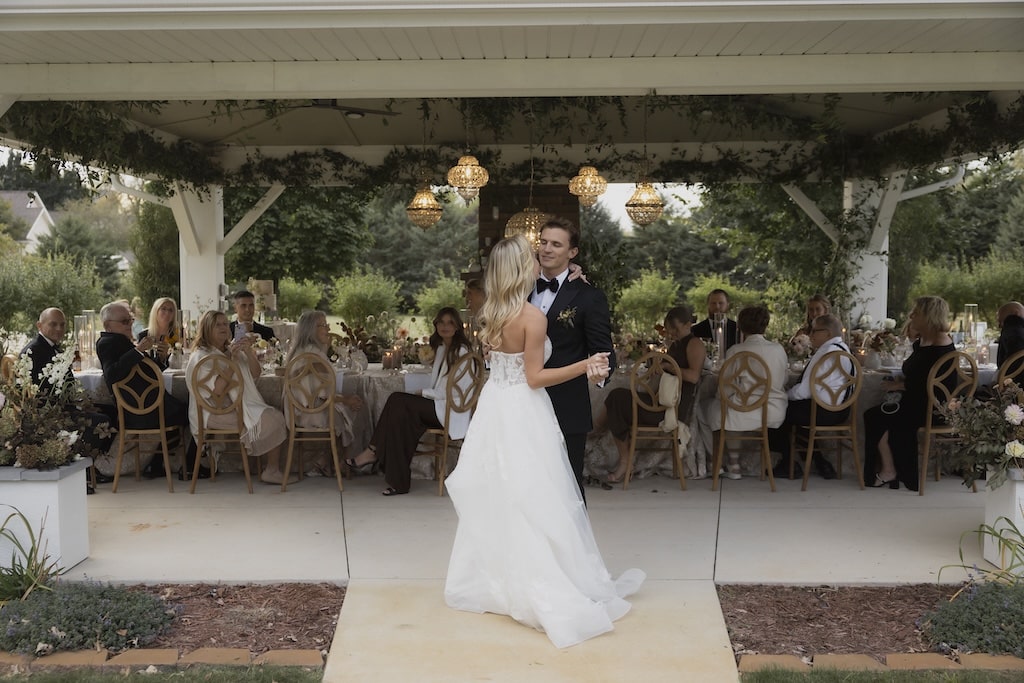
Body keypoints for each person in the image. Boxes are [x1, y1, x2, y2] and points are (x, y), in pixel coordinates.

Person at [444, 234, 644, 649]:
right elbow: (534, 377)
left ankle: (497, 578)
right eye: (533, 258)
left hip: (495, 407)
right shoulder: (532, 318)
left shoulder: (489, 315)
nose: (541, 261)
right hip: (523, 411)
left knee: (504, 494)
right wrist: (584, 364)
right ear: (522, 269)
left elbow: (502, 366)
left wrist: (575, 280)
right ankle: (541, 581)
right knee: (538, 495)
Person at [529, 216, 615, 500]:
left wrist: (600, 372)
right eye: (543, 242)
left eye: (556, 244)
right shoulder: (520, 288)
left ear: (572, 253)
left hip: (566, 404)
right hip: (523, 403)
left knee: (567, 488)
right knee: (525, 483)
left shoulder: (588, 296)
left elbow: (603, 351)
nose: (547, 249)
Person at [345, 307, 473, 496]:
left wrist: (425, 393)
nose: (445, 326)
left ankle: (373, 451)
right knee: (401, 417)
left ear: (457, 327)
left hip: (450, 409)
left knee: (398, 401)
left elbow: (457, 392)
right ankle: (398, 482)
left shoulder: (462, 351)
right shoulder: (443, 348)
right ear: (436, 324)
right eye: (441, 322)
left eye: (450, 323)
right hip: (439, 406)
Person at [96, 301, 207, 480]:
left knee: (188, 409)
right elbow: (112, 374)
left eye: (131, 320)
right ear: (109, 326)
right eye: (124, 322)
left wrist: (161, 359)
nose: (130, 324)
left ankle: (158, 463)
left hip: (149, 405)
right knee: (196, 410)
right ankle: (190, 465)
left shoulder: (122, 342)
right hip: (141, 410)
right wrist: (139, 351)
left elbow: (147, 374)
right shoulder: (107, 343)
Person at [597, 304, 705, 484]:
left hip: (671, 408)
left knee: (616, 398)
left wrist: (669, 366)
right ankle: (603, 436)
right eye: (669, 331)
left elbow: (693, 376)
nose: (672, 334)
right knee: (617, 398)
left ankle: (603, 439)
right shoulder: (677, 344)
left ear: (687, 325)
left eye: (675, 330)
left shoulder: (695, 344)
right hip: (661, 400)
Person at [186, 310, 293, 485]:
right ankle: (271, 470)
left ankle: (271, 470)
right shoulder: (201, 356)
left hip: (235, 405)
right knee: (273, 418)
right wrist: (232, 360)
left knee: (275, 415)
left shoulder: (230, 348)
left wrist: (248, 351)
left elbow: (256, 373)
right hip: (213, 411)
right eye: (217, 325)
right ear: (207, 329)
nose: (223, 328)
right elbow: (218, 390)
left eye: (224, 324)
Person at [862, 296, 955, 490]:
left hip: (932, 408)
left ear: (928, 316)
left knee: (875, 417)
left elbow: (935, 385)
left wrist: (900, 387)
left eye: (917, 313)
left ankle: (889, 471)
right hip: (918, 402)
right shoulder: (927, 341)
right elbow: (920, 376)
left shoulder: (939, 346)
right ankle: (892, 469)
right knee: (880, 414)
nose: (911, 315)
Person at [21, 307, 114, 492]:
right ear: (39, 325)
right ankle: (79, 473)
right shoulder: (34, 351)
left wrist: (83, 402)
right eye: (53, 324)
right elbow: (39, 392)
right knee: (100, 421)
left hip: (63, 405)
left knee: (111, 412)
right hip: (46, 414)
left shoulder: (52, 347)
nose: (58, 329)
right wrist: (76, 406)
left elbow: (68, 383)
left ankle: (89, 467)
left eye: (62, 325)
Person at [705, 305, 788, 480]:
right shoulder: (778, 350)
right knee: (731, 409)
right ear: (765, 325)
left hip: (743, 411)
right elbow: (783, 381)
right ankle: (732, 463)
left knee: (713, 408)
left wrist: (721, 398)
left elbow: (726, 386)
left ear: (740, 327)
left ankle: (727, 464)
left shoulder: (736, 351)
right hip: (772, 412)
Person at [283, 310, 364, 476]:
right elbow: (323, 395)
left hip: (297, 411)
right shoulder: (313, 356)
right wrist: (347, 400)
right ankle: (344, 463)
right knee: (356, 408)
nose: (327, 329)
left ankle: (326, 461)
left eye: (327, 325)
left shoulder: (302, 351)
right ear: (310, 330)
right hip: (310, 413)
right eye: (322, 325)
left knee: (346, 408)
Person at [770, 314, 849, 480]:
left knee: (774, 411)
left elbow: (804, 391)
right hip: (842, 410)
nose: (810, 335)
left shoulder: (825, 353)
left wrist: (784, 395)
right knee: (793, 415)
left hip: (821, 411)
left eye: (814, 331)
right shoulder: (843, 349)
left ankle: (789, 463)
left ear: (827, 333)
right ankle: (820, 462)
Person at [136, 297, 180, 369]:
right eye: (163, 309)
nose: (167, 313)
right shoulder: (144, 336)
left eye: (171, 310)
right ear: (155, 312)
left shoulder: (177, 336)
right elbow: (141, 365)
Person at [996, 301, 1024, 369]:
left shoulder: (1011, 330)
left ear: (1016, 313)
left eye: (1001, 321)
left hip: (1013, 377)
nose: (1000, 326)